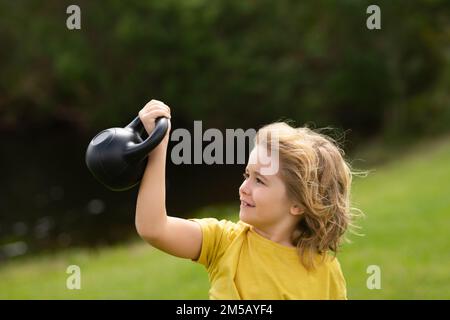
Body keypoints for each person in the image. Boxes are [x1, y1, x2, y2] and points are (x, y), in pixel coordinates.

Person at [135, 99, 360, 299]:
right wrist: (157, 148)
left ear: (299, 204)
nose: (243, 188)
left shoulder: (326, 270)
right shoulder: (224, 242)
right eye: (247, 175)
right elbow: (154, 228)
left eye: (259, 180)